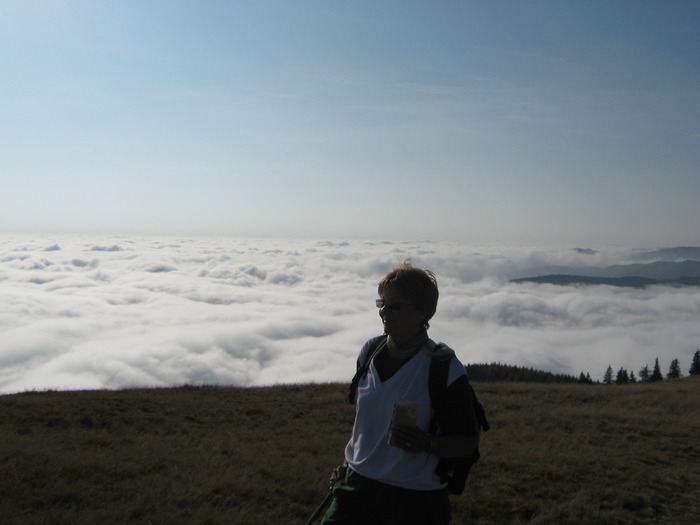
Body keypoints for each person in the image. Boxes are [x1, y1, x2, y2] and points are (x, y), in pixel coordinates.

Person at [321, 260, 480, 525]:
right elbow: (368, 425)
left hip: (416, 499)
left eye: (395, 306)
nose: (385, 313)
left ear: (422, 312)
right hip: (357, 486)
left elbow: (468, 443)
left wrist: (427, 443)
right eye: (382, 304)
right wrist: (352, 465)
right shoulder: (370, 352)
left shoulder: (444, 369)